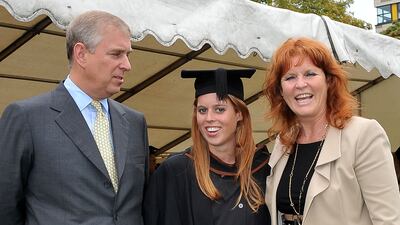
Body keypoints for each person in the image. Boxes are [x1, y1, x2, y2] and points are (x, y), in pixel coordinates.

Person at [0, 10, 149, 225]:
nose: (127, 65)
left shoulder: (135, 122)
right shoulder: (27, 118)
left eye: (128, 55)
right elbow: (5, 207)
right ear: (81, 54)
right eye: (116, 54)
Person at [263, 37, 400, 225]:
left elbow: (388, 220)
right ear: (280, 89)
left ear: (328, 81)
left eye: (310, 74)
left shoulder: (363, 135)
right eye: (290, 77)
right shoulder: (283, 141)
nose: (300, 84)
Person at [144, 68, 271, 225]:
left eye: (219, 109)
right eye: (202, 110)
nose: (209, 118)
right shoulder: (177, 171)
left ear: (239, 114)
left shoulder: (263, 168)